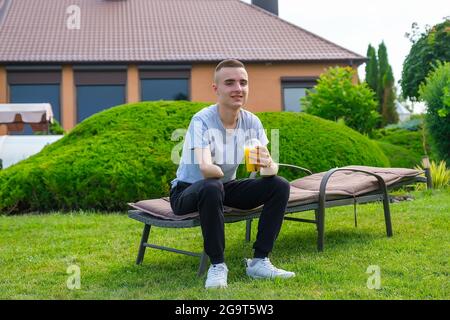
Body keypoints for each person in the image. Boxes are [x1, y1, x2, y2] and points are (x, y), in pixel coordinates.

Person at [170, 59, 295, 289]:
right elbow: (207, 169)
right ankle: (217, 265)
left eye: (243, 82)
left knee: (279, 185)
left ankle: (259, 261)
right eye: (230, 83)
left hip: (222, 187)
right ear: (216, 89)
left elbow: (270, 169)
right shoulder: (202, 121)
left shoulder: (251, 121)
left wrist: (267, 164)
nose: (238, 88)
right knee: (212, 184)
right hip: (187, 191)